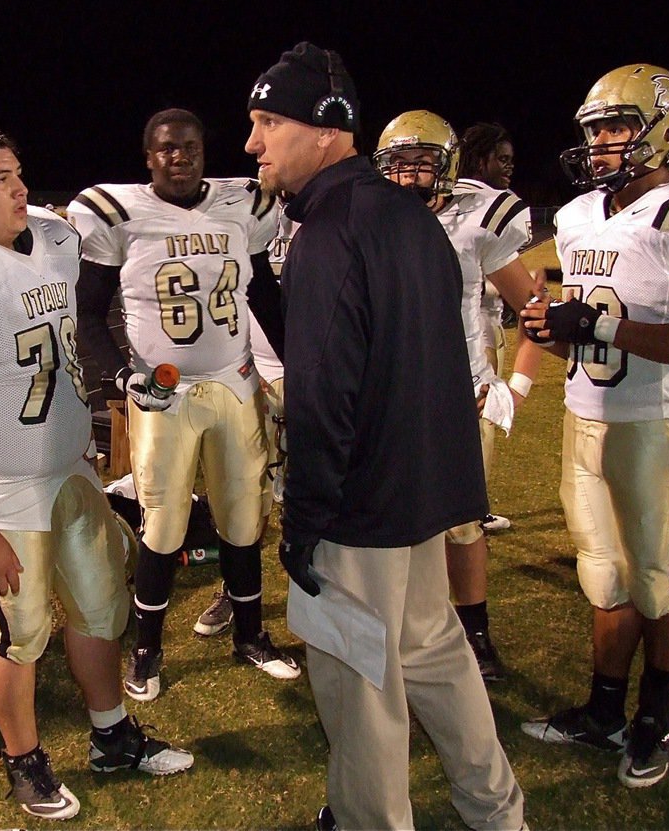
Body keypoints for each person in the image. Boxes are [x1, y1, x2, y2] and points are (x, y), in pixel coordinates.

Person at [246, 41, 524, 831]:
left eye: (267, 121)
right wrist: (266, 283)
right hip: (424, 487)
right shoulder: (404, 213)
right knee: (434, 651)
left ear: (326, 128)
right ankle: (497, 810)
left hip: (359, 502)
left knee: (361, 682)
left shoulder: (333, 227)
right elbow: (386, 347)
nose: (252, 142)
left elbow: (326, 390)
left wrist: (305, 520)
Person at [0, 126, 193, 819]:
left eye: (19, 173)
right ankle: (24, 759)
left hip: (71, 465)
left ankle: (110, 736)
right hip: (4, 484)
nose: (19, 188)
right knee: (15, 631)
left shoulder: (53, 235)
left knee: (101, 607)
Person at [520, 64, 669, 788]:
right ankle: (603, 712)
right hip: (584, 416)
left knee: (659, 584)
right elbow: (583, 337)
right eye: (593, 129)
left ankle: (657, 716)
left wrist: (596, 321)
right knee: (604, 578)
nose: (600, 142)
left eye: (616, 126)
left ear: (663, 129)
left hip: (655, 422)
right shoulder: (578, 216)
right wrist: (552, 326)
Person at [71, 107, 299, 703]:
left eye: (190, 146)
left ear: (204, 150)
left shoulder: (243, 206)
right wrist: (122, 377)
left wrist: (301, 360)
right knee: (163, 525)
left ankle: (250, 635)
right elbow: (88, 312)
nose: (179, 157)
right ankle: (147, 649)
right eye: (167, 149)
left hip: (233, 380)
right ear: (149, 158)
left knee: (243, 517)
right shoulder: (118, 214)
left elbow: (264, 292)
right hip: (163, 394)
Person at [373, 110, 541, 683]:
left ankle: (475, 632)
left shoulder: (479, 219)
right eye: (401, 163)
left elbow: (531, 308)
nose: (412, 175)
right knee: (395, 522)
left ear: (446, 167)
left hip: (462, 391)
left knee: (463, 525)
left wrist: (515, 382)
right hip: (391, 396)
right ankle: (405, 629)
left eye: (424, 162)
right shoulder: (368, 219)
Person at [194, 199, 297, 637]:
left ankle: (315, 590)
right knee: (245, 493)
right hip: (250, 374)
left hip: (314, 371)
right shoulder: (244, 213)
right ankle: (234, 590)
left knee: (309, 491)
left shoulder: (333, 216)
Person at [459, 122, 525, 534]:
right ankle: (472, 508)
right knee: (481, 417)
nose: (508, 169)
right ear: (480, 159)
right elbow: (499, 280)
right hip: (478, 323)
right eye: (501, 159)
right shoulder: (495, 205)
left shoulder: (443, 198)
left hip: (453, 323)